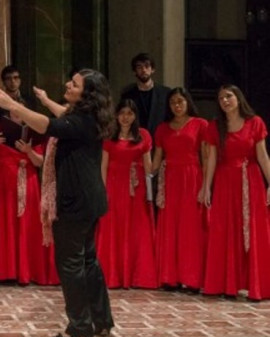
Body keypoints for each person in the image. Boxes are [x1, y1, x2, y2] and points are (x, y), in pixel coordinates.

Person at [0, 68, 114, 337]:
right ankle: (101, 320)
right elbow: (62, 116)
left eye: (75, 83)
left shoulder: (80, 121)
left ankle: (80, 325)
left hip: (75, 201)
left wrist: (13, 106)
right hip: (90, 199)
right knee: (88, 261)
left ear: (87, 94)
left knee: (70, 264)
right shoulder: (87, 117)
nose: (68, 84)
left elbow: (48, 126)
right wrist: (45, 100)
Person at [202, 85, 270, 300]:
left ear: (238, 98)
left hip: (250, 180)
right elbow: (211, 159)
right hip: (224, 182)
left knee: (255, 229)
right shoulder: (215, 127)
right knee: (225, 230)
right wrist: (206, 187)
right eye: (221, 98)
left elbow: (262, 156)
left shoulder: (255, 123)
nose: (225, 101)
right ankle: (226, 284)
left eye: (229, 96)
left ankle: (258, 286)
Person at [0, 105, 57, 286]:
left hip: (27, 180)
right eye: (12, 110)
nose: (16, 113)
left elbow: (40, 162)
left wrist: (28, 151)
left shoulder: (34, 131)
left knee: (26, 224)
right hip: (2, 182)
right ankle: (3, 270)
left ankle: (25, 270)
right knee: (3, 223)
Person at [96, 99, 158, 289]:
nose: (125, 117)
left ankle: (137, 276)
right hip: (114, 187)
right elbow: (103, 166)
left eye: (129, 113)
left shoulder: (144, 135)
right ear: (116, 115)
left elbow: (149, 167)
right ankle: (112, 275)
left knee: (136, 229)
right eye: (122, 113)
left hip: (136, 188)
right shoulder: (108, 136)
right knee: (113, 228)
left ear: (135, 116)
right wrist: (102, 191)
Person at [151, 87, 207, 293]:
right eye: (173, 102)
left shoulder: (200, 125)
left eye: (180, 101)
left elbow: (206, 157)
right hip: (170, 180)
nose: (177, 105)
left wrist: (206, 185)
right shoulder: (162, 129)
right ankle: (169, 277)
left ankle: (191, 279)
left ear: (187, 102)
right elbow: (155, 161)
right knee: (170, 225)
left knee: (190, 228)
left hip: (192, 177)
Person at [119, 53, 171, 136]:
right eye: (139, 67)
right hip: (135, 140)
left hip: (160, 140)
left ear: (152, 69)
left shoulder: (165, 93)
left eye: (147, 66)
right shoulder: (127, 94)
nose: (144, 70)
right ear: (134, 71)